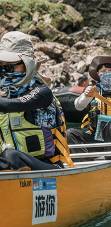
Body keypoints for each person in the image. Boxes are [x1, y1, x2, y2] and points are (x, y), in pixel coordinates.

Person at [0, 31, 72, 171]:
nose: (3, 72)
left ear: (27, 64)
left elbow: (12, 105)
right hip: (14, 169)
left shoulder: (42, 93)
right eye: (0, 67)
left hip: (49, 168)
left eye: (8, 67)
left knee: (11, 155)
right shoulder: (5, 95)